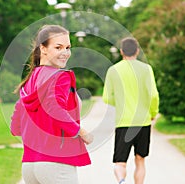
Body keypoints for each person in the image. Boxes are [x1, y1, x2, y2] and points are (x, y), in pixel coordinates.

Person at [10, 25, 93, 184]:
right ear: (43, 48)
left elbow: (16, 125)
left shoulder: (29, 81)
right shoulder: (60, 76)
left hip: (30, 165)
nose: (65, 52)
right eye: (58, 47)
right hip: (56, 163)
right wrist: (81, 132)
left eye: (68, 47)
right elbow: (53, 108)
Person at [102, 37, 159, 184]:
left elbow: (107, 97)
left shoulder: (113, 70)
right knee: (140, 160)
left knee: (120, 162)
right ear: (137, 51)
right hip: (143, 122)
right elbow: (153, 95)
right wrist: (153, 113)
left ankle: (121, 181)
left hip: (123, 122)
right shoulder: (146, 69)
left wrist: (121, 102)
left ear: (121, 52)